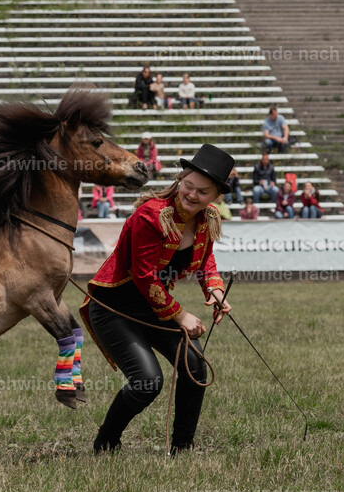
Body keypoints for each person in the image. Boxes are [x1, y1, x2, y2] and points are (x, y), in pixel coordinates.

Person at [80, 143, 233, 455]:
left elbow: (205, 263)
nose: (191, 195)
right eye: (188, 186)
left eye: (202, 192)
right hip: (114, 308)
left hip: (155, 308)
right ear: (180, 180)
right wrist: (181, 315)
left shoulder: (208, 218)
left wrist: (215, 292)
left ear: (215, 196)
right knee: (148, 382)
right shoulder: (150, 216)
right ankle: (106, 443)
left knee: (195, 367)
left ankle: (182, 448)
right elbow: (144, 275)